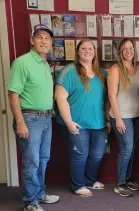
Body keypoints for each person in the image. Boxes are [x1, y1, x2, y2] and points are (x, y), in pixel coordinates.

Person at [7, 24, 59, 211]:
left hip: (46, 117)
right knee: (32, 161)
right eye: (40, 37)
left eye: (47, 38)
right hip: (29, 118)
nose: (44, 41)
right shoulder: (22, 62)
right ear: (32, 40)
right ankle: (30, 202)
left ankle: (39, 193)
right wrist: (20, 122)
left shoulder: (45, 63)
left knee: (43, 159)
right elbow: (13, 94)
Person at [55, 39, 110, 197]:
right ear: (78, 51)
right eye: (83, 48)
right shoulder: (68, 71)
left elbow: (107, 99)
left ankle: (90, 180)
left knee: (98, 154)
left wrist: (107, 120)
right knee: (80, 154)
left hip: (98, 123)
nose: (87, 51)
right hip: (76, 123)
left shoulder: (102, 73)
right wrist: (69, 123)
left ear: (95, 51)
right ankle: (77, 185)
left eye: (90, 48)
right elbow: (60, 97)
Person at [108, 38, 139, 197]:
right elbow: (111, 96)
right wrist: (119, 118)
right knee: (126, 149)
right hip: (122, 117)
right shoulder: (115, 69)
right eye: (125, 49)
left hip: (137, 116)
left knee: (132, 148)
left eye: (131, 48)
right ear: (120, 52)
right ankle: (120, 183)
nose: (129, 51)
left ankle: (128, 179)